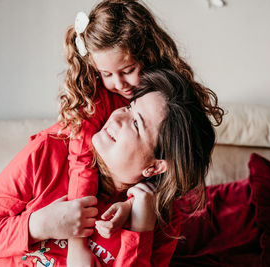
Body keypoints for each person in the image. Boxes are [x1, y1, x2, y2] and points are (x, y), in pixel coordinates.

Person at [0, 68, 220, 266]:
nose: (117, 118)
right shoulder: (52, 151)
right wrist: (39, 224)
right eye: (128, 107)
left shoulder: (160, 219)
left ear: (155, 166)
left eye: (136, 124)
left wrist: (140, 231)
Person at [57, 0, 223, 263]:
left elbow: (166, 163)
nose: (118, 84)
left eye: (127, 71)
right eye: (106, 74)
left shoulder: (166, 95)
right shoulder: (95, 101)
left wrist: (134, 205)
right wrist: (78, 243)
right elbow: (82, 165)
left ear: (146, 53)